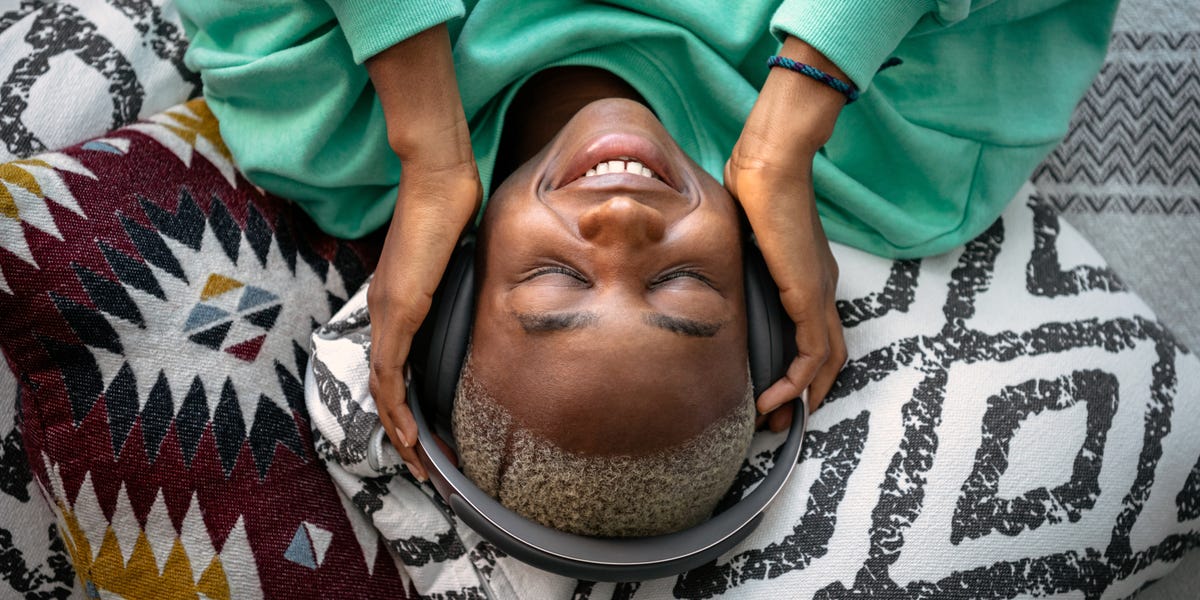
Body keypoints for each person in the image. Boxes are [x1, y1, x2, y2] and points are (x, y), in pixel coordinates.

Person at [177, 0, 1118, 535]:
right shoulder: (902, 173)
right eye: (683, 289)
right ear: (761, 302)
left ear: (453, 296)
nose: (623, 228)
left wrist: (426, 139)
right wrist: (794, 122)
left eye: (557, 283)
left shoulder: (333, 139)